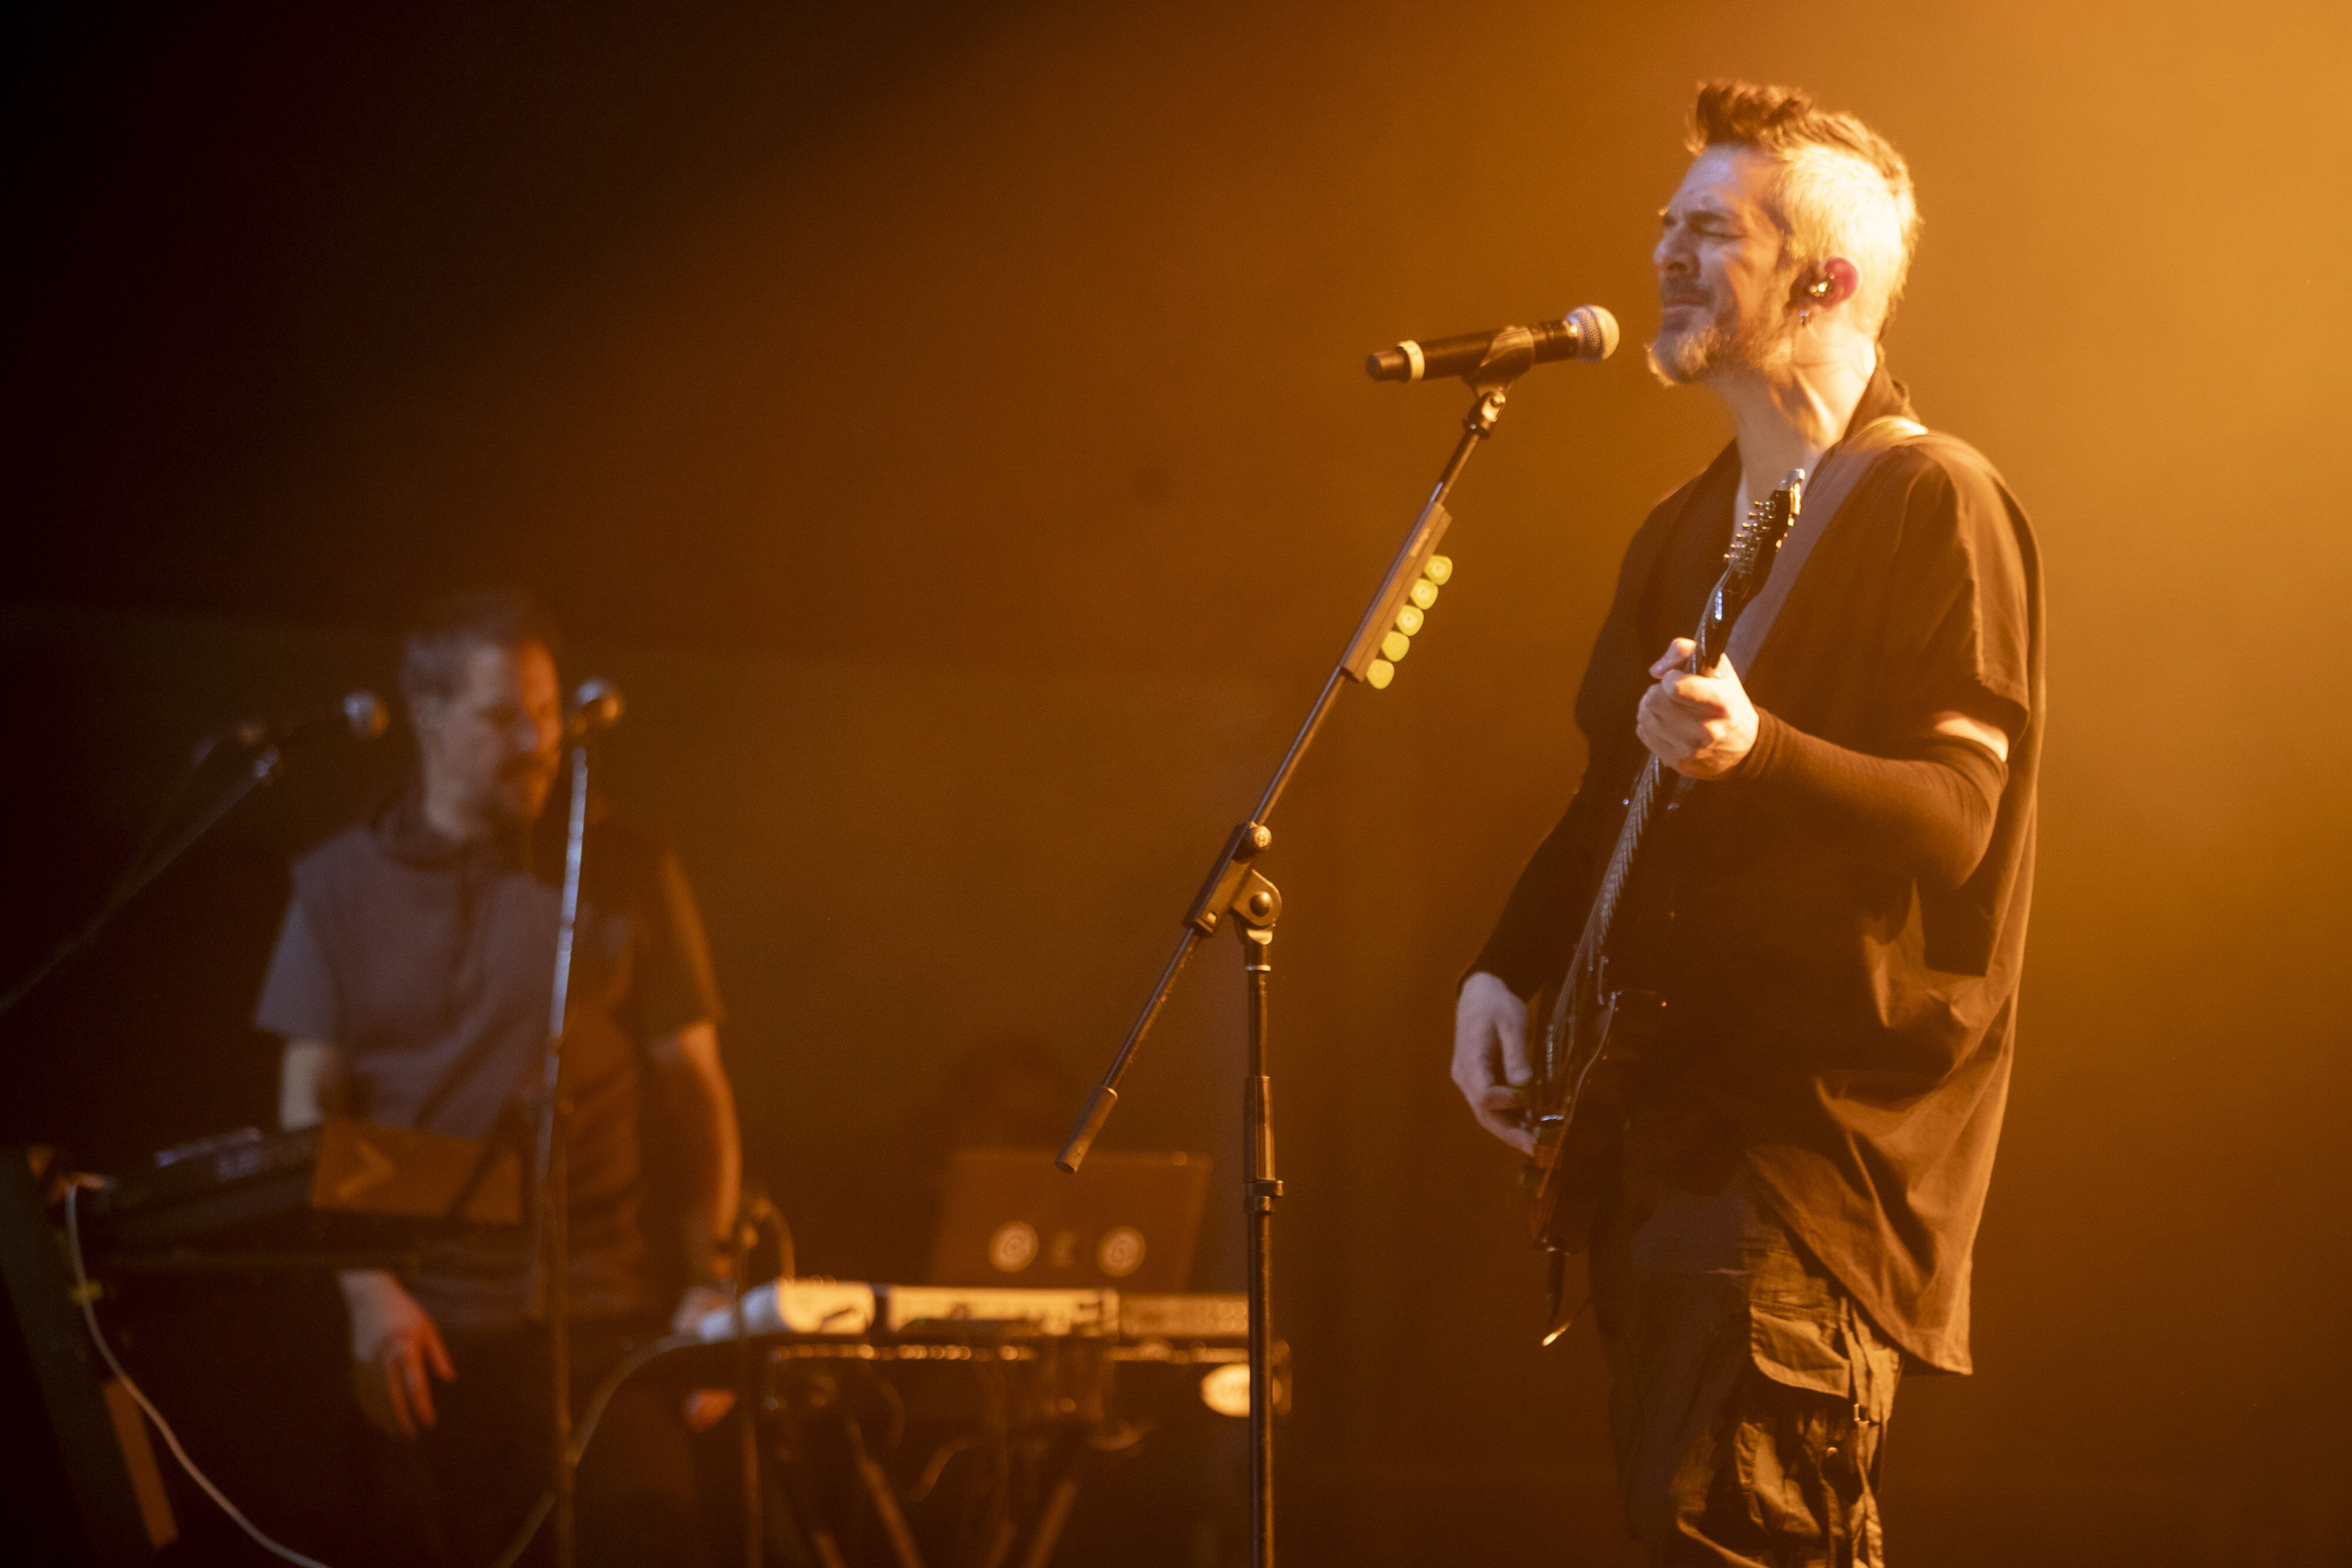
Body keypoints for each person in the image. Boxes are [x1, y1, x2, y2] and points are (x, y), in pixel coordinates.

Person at [1450, 82, 2041, 1566]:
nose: (1661, 250)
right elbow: (1609, 787)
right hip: (1658, 1142)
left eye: (1711, 229)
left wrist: (1758, 749)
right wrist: (1501, 967)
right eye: (1667, 220)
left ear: (1822, 278)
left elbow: (1957, 817)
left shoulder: (1931, 499)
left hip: (1800, 1160)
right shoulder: (1679, 524)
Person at [255, 589, 741, 1566]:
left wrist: (714, 1282)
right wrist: (366, 1291)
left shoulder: (623, 866)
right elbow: (310, 1107)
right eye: (501, 717)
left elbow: (699, 1093)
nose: (538, 741)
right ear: (427, 716)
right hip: (426, 1326)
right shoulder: (339, 883)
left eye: (549, 712)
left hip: (609, 1315)